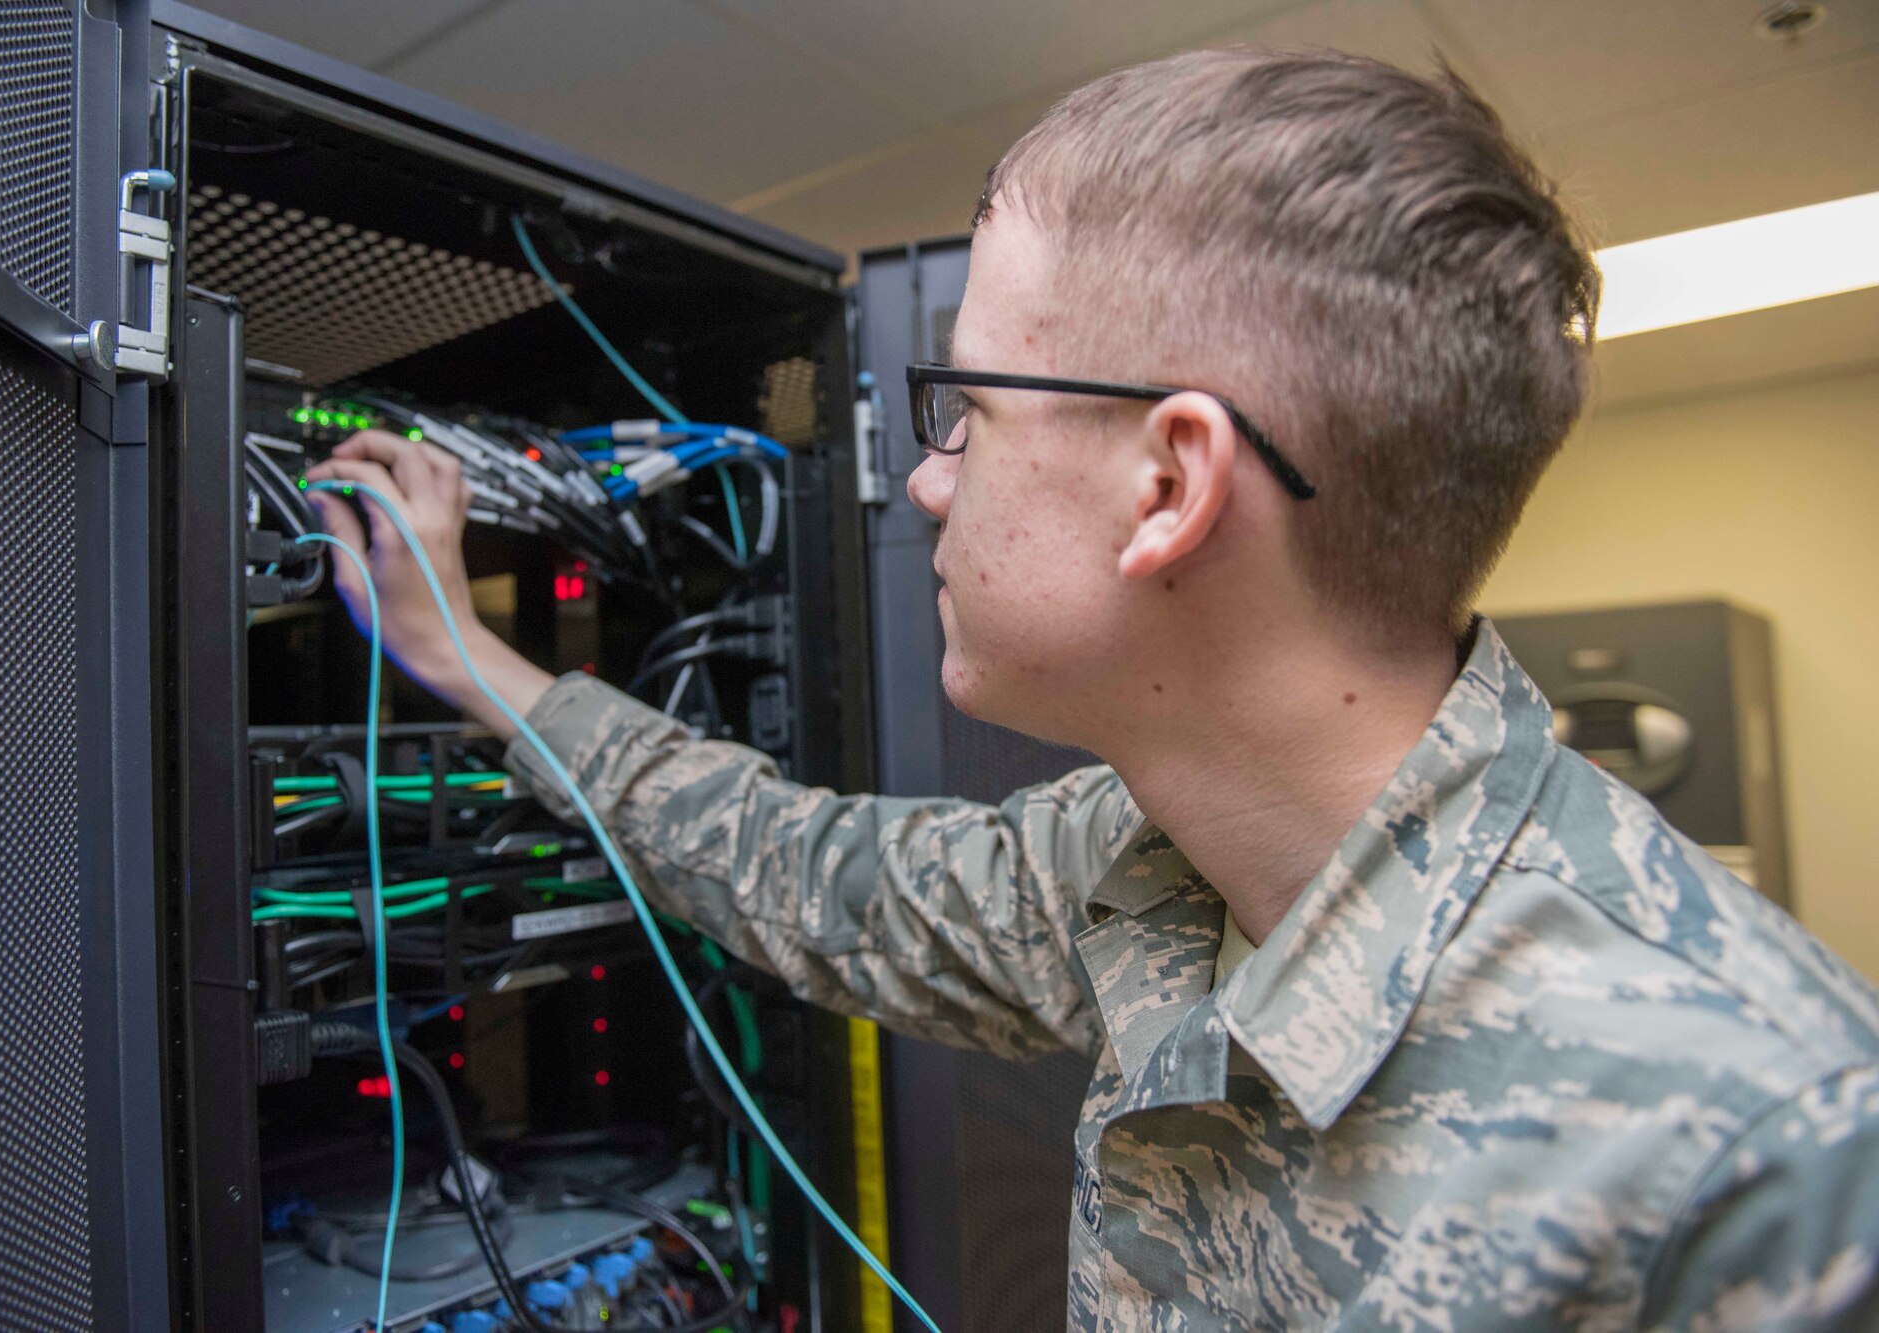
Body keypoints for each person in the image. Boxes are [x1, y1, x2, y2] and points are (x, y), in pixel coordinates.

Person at [306, 46, 1879, 1332]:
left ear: (1170, 482)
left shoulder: (1761, 1148)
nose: (927, 482)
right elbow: (805, 874)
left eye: (965, 409)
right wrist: (475, 659)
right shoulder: (1138, 871)